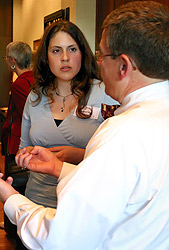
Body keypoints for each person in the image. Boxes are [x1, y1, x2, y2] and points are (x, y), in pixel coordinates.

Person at [1, 1, 169, 249]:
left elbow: (60, 238)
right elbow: (118, 182)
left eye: (101, 55)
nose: (99, 63)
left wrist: (9, 197)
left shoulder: (121, 132)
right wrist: (59, 167)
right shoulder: (154, 116)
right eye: (56, 51)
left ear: (123, 65)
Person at [19, 20, 117, 209]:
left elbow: (121, 158)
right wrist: (26, 156)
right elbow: (23, 149)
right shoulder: (35, 96)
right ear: (46, 57)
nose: (65, 57)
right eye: (56, 50)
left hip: (85, 203)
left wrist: (81, 155)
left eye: (72, 49)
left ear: (82, 53)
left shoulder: (106, 93)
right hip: (36, 201)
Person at [1, 41, 34, 156]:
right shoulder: (37, 79)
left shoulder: (19, 85)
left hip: (20, 141)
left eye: (6, 58)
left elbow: (27, 116)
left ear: (12, 61)